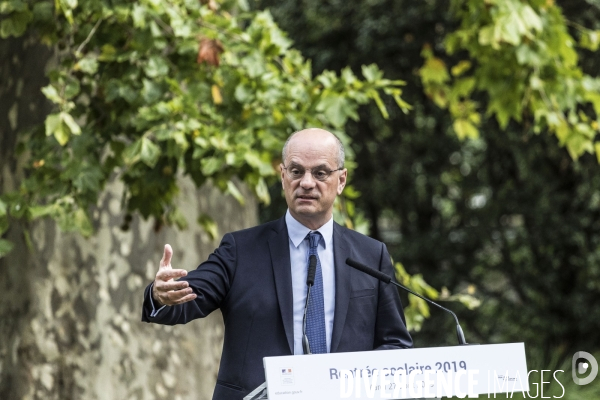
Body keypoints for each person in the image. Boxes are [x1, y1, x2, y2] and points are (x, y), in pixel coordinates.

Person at [141, 128, 412, 400]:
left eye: (320, 173)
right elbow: (188, 296)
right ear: (283, 177)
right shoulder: (241, 250)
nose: (306, 182)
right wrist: (161, 294)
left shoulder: (370, 254)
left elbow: (395, 344)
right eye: (296, 171)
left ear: (341, 180)